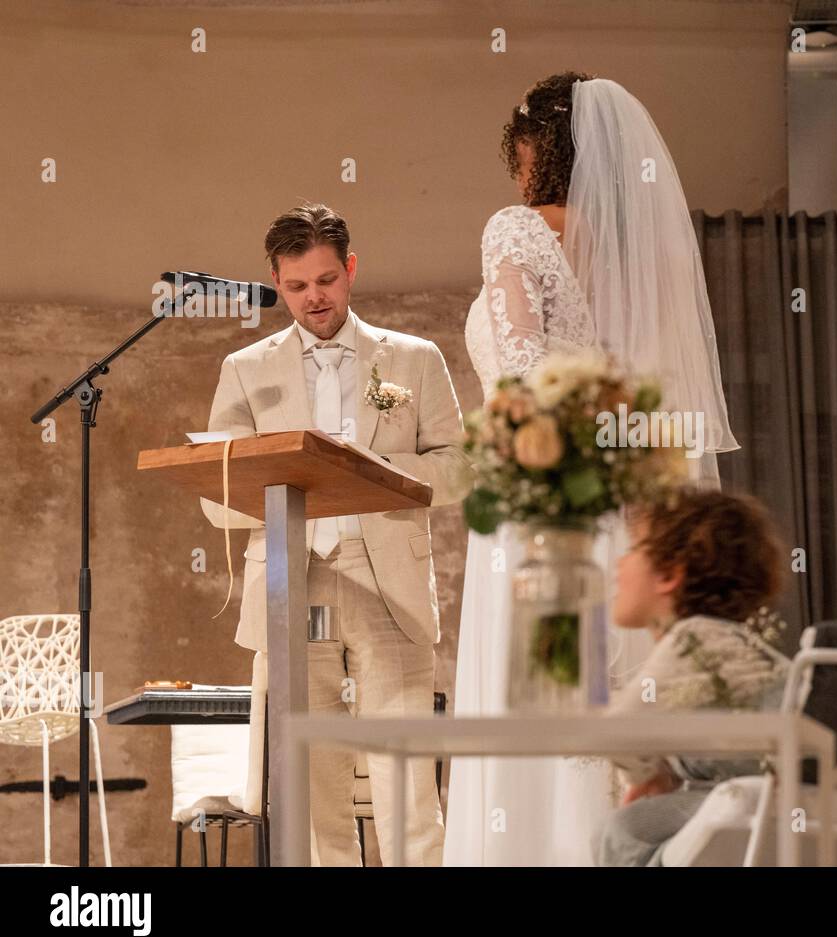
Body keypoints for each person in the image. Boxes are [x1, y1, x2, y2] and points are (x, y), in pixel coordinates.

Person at [444, 72, 739, 866]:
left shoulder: (515, 228)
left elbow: (521, 375)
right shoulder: (635, 250)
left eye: (520, 154)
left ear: (539, 150)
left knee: (539, 714)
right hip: (619, 506)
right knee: (598, 711)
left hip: (539, 505)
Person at [202, 202, 473, 866]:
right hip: (292, 590)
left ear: (350, 269)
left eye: (325, 280)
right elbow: (217, 493)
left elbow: (463, 469)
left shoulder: (413, 359)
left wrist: (368, 470)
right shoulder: (245, 368)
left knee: (407, 789)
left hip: (389, 586)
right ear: (276, 280)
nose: (313, 298)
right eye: (296, 286)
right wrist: (284, 477)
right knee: (310, 793)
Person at [595, 490, 789, 867]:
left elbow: (616, 732)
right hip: (766, 796)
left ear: (669, 575)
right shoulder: (718, 639)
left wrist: (649, 773)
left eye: (632, 549)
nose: (618, 564)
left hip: (764, 797)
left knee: (622, 832)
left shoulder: (694, 639)